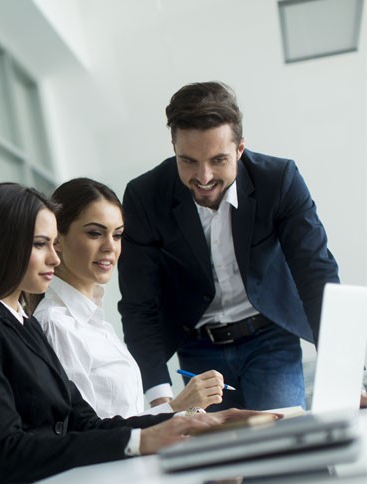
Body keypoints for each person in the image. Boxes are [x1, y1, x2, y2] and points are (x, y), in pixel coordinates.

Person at [0, 182, 261, 483]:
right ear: (1, 246)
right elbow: (5, 452)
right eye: (40, 244)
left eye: (53, 244)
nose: (54, 257)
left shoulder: (25, 323)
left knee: (226, 468)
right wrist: (143, 439)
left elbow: (86, 424)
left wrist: (188, 421)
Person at [118, 81, 340, 412]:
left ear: (240, 149)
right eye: (188, 161)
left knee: (285, 450)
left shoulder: (279, 180)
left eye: (218, 160)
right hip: (196, 350)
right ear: (173, 147)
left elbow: (315, 272)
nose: (203, 177)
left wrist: (343, 373)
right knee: (222, 458)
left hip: (269, 340)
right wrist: (159, 398)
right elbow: (139, 306)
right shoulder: (145, 197)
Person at [34, 178, 225, 419]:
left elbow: (122, 420)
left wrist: (186, 412)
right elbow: (85, 433)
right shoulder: (56, 324)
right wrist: (176, 408)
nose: (110, 247)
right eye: (95, 233)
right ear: (57, 240)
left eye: (117, 235)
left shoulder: (94, 321)